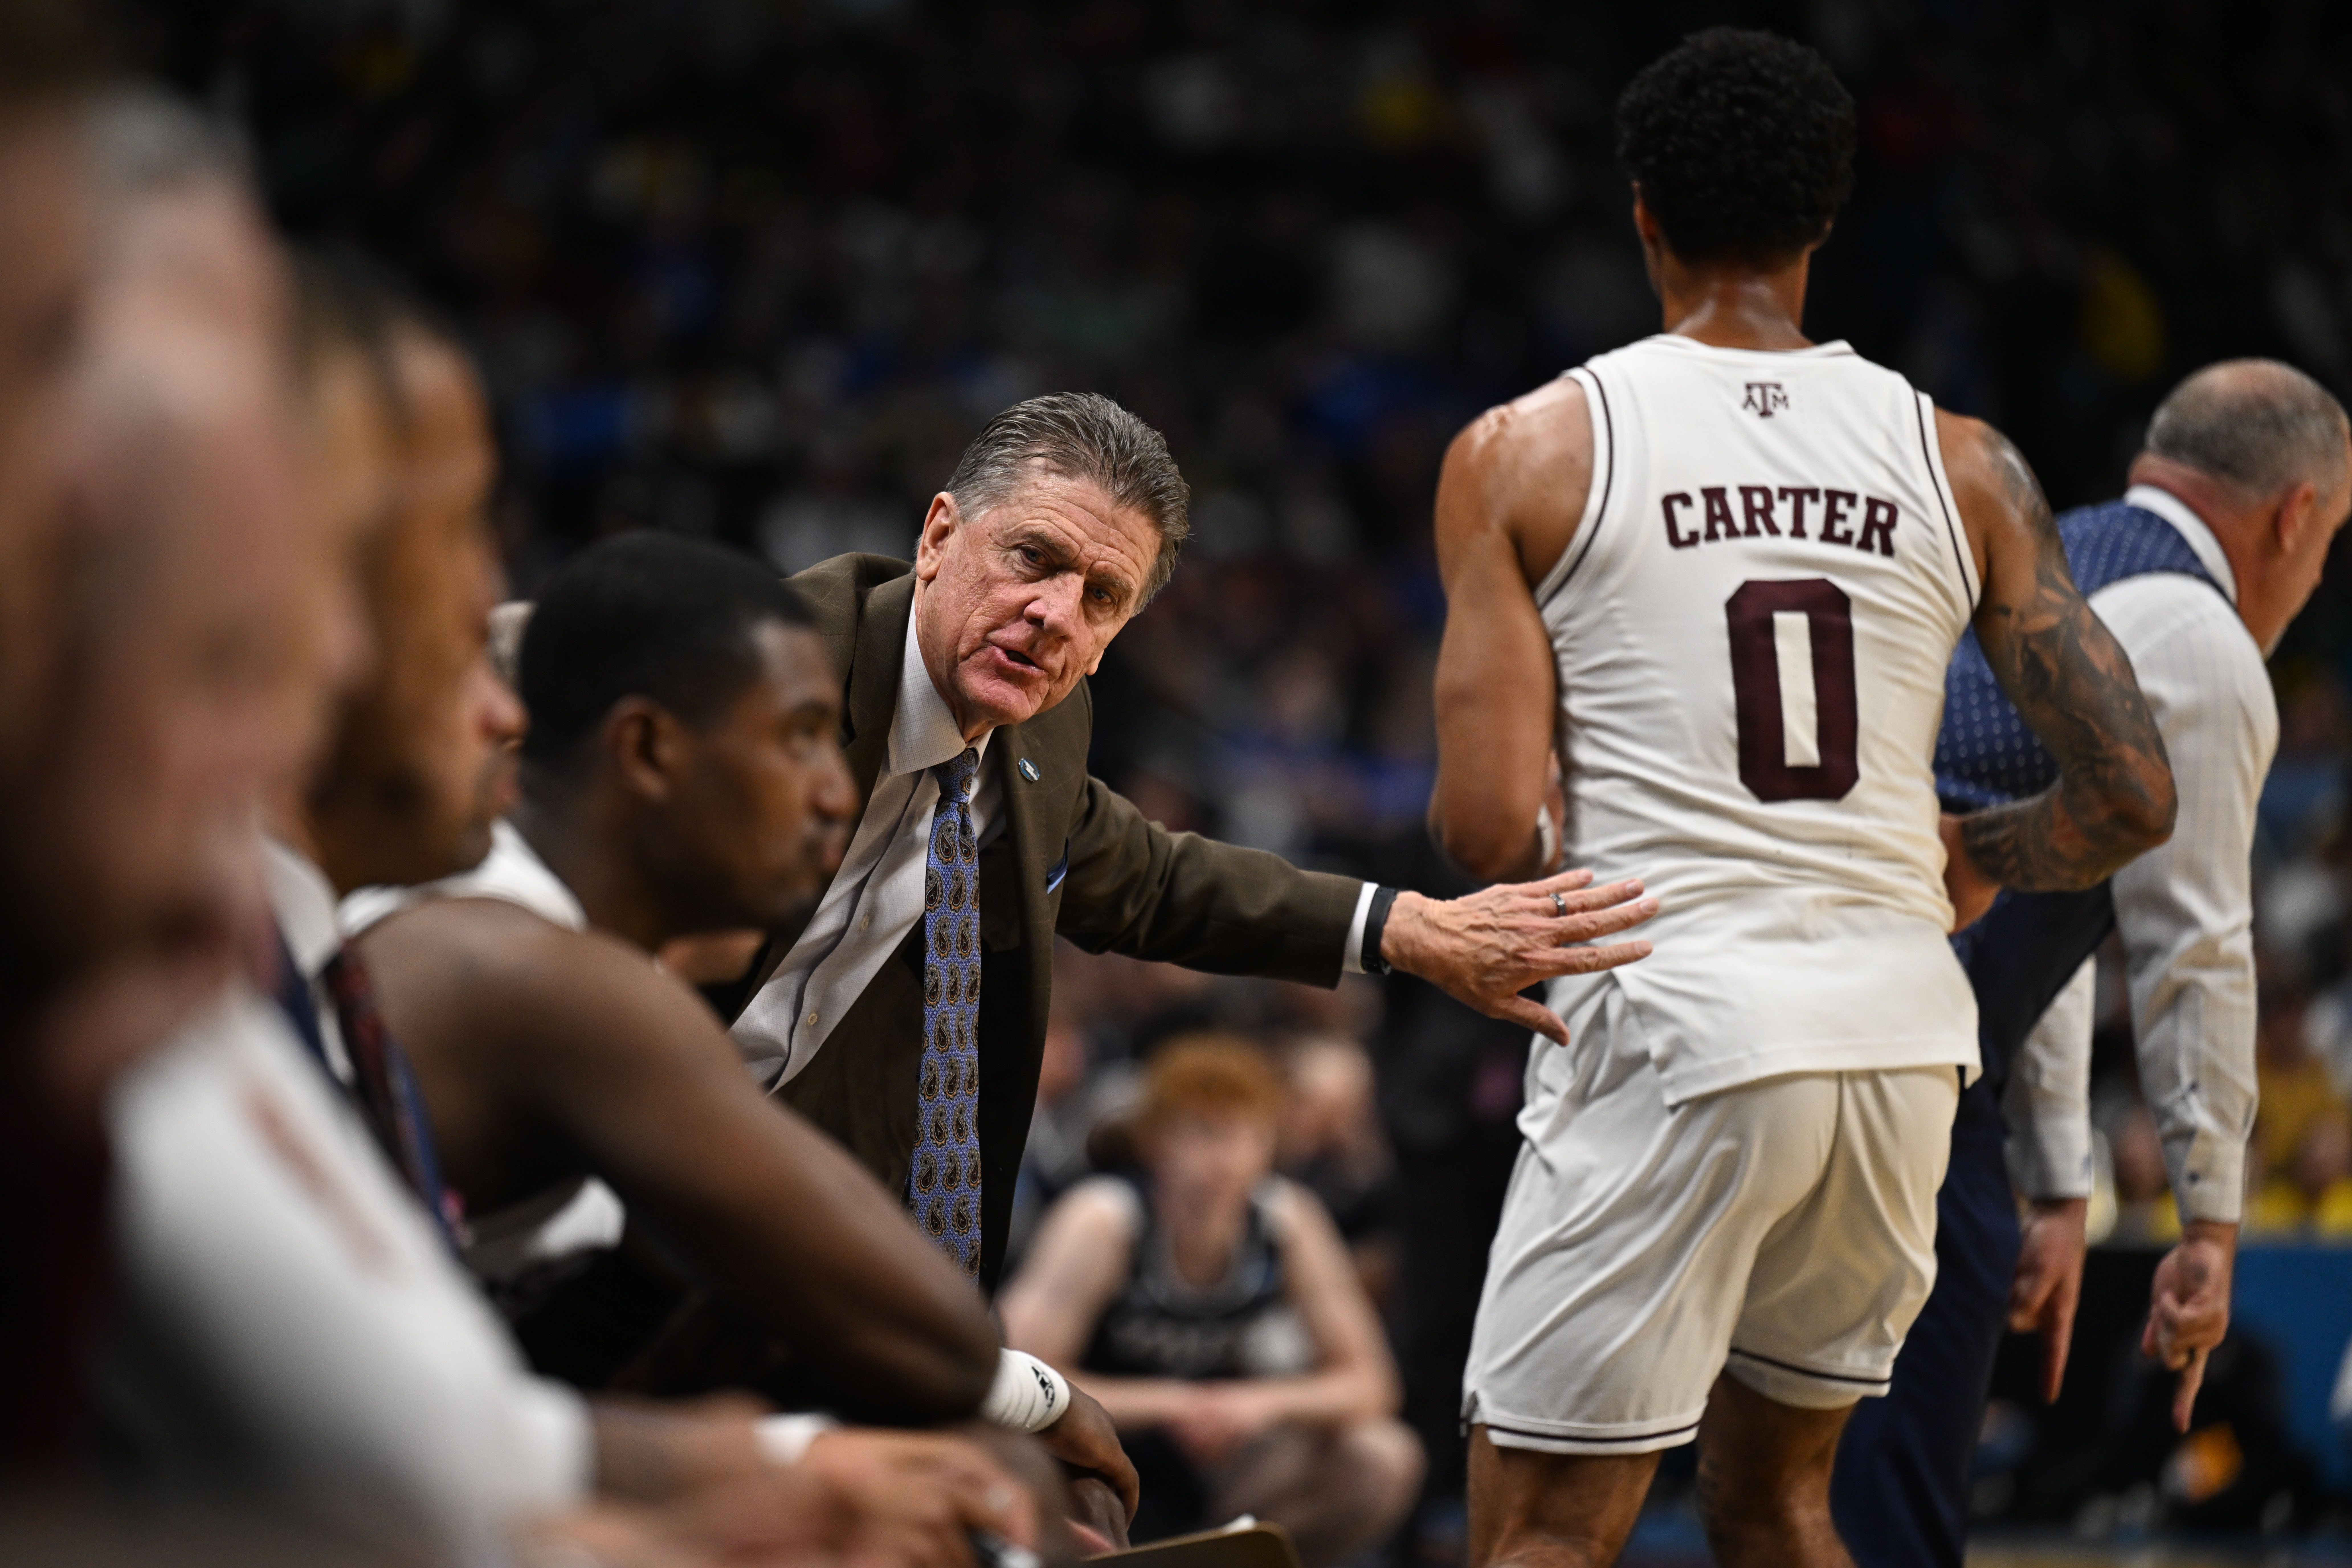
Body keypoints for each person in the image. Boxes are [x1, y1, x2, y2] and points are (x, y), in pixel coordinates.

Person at [88, 109, 1046, 1568]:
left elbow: (440, 1428)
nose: (490, 673)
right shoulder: (491, 969)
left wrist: (778, 1467)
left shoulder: (255, 954)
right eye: (448, 534)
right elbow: (396, 1472)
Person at [1425, 29, 2176, 1568]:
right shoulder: (1965, 462)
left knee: (1546, 1531)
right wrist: (1981, 852)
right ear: (1828, 222)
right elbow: (2132, 792)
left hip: (1680, 1019)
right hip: (1901, 1040)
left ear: (1641, 212)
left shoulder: (1529, 451)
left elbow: (1487, 837)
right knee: (1781, 1506)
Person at [723, 389, 1661, 1299]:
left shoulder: (1039, 728)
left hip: (790, 1211)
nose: (1055, 613)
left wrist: (1409, 928)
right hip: (619, 1145)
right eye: (1031, 557)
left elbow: (1148, 877)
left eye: (1100, 596)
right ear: (936, 538)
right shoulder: (759, 669)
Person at [347, 525, 1137, 1535]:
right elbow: (922, 1323)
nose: (831, 791)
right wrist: (1046, 1399)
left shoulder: (508, 934)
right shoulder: (547, 979)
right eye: (798, 735)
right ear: (646, 751)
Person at [1834, 360, 2352, 1567]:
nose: (2322, 572)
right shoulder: (2205, 641)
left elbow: (2046, 858)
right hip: (1911, 1052)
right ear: (2294, 516)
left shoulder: (2044, 556)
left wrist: (2061, 1180)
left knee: (1798, 1479)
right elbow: (2198, 949)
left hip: (1837, 1011)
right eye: (2332, 540)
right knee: (1891, 1503)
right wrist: (2211, 1223)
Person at [1001, 1034, 1421, 1566]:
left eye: (1239, 1135)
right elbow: (1019, 1381)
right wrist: (1176, 1404)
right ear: (1155, 1141)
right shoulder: (1105, 1220)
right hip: (1102, 1456)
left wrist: (1256, 1407)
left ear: (1269, 1144)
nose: (1219, 1159)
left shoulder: (1286, 1220)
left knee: (1381, 1456)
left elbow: (1371, 1384)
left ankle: (1218, 1557)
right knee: (1021, 1456)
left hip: (1223, 1464)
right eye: (1199, 1133)